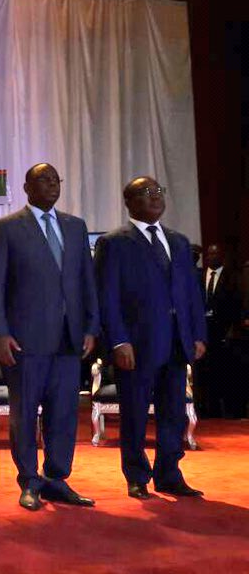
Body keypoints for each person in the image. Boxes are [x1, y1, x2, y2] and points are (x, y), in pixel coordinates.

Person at [0, 163, 99, 511]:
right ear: (26, 187)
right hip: (24, 340)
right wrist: (1, 333)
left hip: (69, 338)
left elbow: (87, 281)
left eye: (55, 180)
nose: (51, 185)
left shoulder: (75, 227)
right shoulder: (6, 228)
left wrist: (91, 327)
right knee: (25, 412)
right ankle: (30, 481)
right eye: (43, 180)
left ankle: (56, 479)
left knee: (64, 413)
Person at [94, 176, 207, 498]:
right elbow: (107, 298)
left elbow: (191, 294)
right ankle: (137, 476)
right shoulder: (114, 243)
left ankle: (169, 474)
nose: (155, 197)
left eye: (158, 191)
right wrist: (118, 341)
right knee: (135, 413)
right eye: (146, 193)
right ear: (129, 202)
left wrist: (197, 334)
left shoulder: (179, 242)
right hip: (136, 345)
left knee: (173, 413)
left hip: (177, 342)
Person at [195, 243, 243, 418]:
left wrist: (231, 329)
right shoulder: (198, 277)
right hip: (202, 335)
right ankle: (207, 411)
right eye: (209, 254)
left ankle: (229, 412)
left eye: (216, 254)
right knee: (204, 377)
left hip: (223, 335)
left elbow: (237, 305)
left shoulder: (232, 277)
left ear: (222, 256)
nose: (212, 257)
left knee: (225, 375)